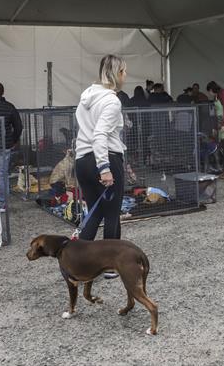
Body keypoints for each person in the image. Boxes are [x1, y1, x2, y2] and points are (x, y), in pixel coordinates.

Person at [74, 55, 128, 280]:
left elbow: (87, 130)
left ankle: (78, 261)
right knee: (112, 213)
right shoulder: (112, 101)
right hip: (104, 159)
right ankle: (111, 265)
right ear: (117, 74)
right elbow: (100, 135)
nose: (126, 76)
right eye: (124, 71)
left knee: (94, 213)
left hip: (81, 159)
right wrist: (105, 167)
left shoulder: (86, 97)